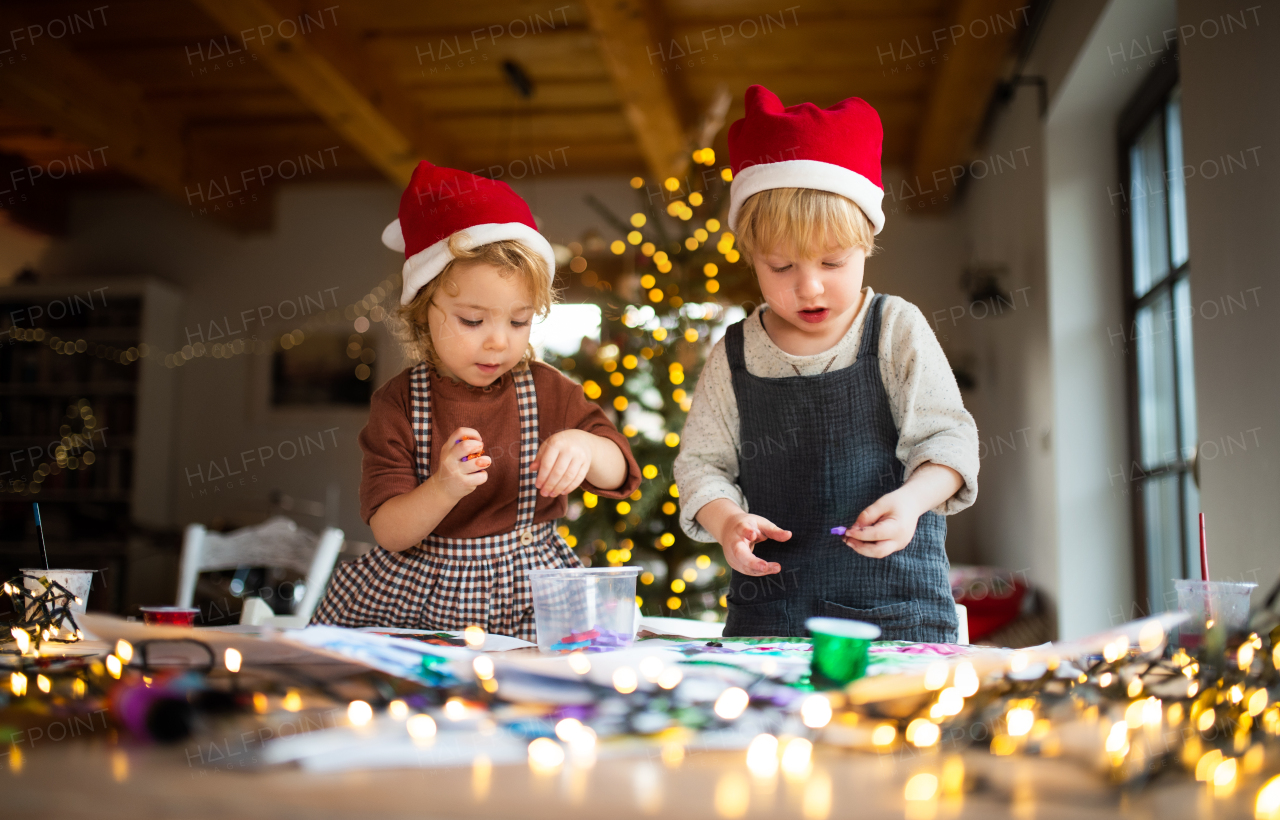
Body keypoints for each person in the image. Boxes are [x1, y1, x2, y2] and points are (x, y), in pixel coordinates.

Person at [674, 86, 979, 642]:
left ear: (866, 243)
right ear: (751, 257)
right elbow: (701, 466)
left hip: (899, 616)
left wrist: (912, 503)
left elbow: (950, 444)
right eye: (781, 265)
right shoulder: (735, 353)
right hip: (770, 622)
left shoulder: (894, 328)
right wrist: (726, 521)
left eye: (833, 261)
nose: (808, 286)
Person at [311, 162, 640, 640]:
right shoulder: (398, 403)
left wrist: (587, 449)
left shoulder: (547, 390)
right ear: (423, 312)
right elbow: (390, 531)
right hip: (418, 598)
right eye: (472, 321)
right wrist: (443, 487)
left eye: (519, 321)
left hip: (530, 595)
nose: (498, 343)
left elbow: (622, 472)